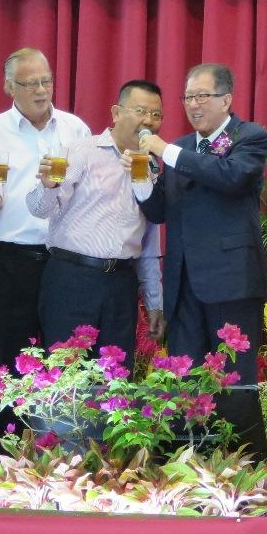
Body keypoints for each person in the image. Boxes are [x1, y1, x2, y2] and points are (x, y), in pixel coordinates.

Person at [132, 63, 267, 461]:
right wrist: (141, 178)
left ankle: (246, 471)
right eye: (188, 97)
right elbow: (159, 210)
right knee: (184, 377)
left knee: (234, 378)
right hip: (183, 282)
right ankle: (184, 467)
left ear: (226, 99)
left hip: (231, 281)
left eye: (201, 96)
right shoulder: (179, 147)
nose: (193, 105)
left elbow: (229, 177)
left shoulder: (250, 137)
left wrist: (165, 152)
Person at [0, 47, 90, 457]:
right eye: (30, 83)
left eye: (47, 80)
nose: (42, 90)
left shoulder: (75, 130)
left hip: (64, 261)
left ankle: (63, 459)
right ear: (9, 87)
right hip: (11, 260)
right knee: (4, 363)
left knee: (63, 361)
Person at [26, 79, 163, 362]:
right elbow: (39, 209)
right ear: (116, 113)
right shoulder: (80, 152)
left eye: (156, 115)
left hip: (121, 285)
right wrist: (48, 185)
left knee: (116, 382)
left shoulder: (151, 166)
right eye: (140, 111)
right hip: (72, 279)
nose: (148, 121)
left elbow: (149, 242)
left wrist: (154, 300)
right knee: (67, 380)